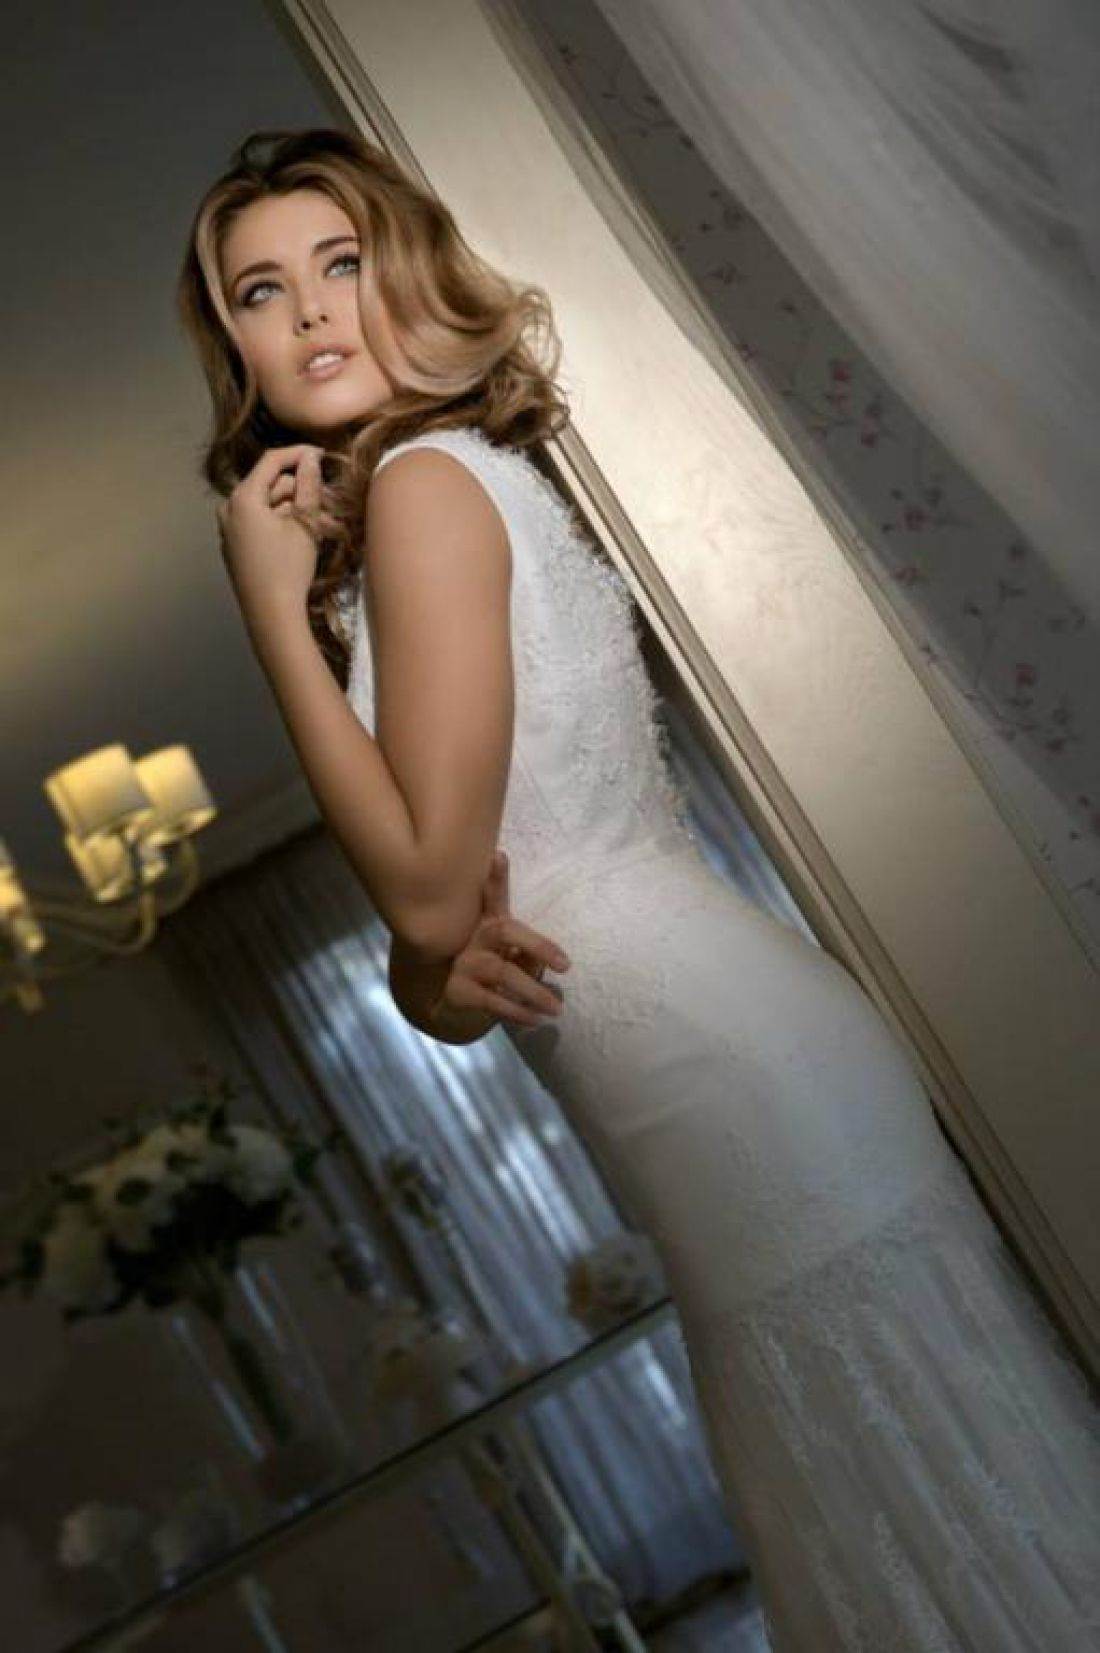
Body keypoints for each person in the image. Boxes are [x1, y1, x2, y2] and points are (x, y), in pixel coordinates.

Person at [179, 127, 1100, 1650]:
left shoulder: (422, 486)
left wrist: (270, 616)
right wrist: (423, 977)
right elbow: (457, 949)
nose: (312, 310)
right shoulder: (445, 482)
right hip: (719, 1068)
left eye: (342, 261)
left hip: (727, 1086)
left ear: (407, 272)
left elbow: (431, 892)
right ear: (237, 347)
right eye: (260, 291)